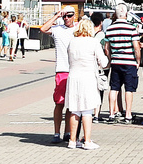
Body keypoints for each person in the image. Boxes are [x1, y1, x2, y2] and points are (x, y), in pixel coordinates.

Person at [63, 17, 108, 149]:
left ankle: (72, 140)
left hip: (73, 78)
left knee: (75, 110)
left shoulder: (72, 42)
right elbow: (103, 62)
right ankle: (87, 141)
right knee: (87, 110)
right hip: (87, 78)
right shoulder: (93, 42)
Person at [102, 5, 143, 124]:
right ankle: (128, 115)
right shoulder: (131, 28)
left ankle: (111, 113)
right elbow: (136, 47)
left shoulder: (110, 29)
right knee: (128, 89)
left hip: (116, 62)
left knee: (114, 88)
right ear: (126, 14)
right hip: (129, 62)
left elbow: (106, 48)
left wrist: (110, 58)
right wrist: (138, 60)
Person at [44, 8, 75, 141]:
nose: (66, 18)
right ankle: (57, 133)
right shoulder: (57, 29)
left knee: (71, 104)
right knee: (59, 103)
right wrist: (57, 16)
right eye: (64, 16)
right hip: (62, 70)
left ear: (74, 16)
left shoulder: (79, 29)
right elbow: (43, 29)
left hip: (75, 70)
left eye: (69, 16)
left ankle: (68, 132)